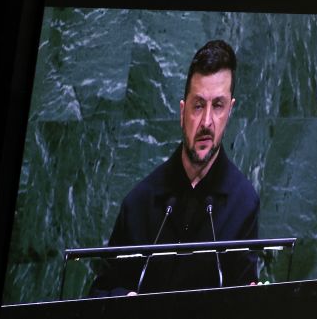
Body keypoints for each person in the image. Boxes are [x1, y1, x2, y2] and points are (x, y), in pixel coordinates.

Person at [90, 40, 259, 296]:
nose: (207, 122)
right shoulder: (141, 200)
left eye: (218, 106)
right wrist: (123, 301)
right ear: (183, 112)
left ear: (230, 111)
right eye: (199, 105)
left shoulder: (244, 202)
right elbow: (100, 291)